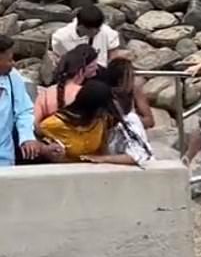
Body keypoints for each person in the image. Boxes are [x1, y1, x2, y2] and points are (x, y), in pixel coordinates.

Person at [39, 80, 151, 166]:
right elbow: (41, 151)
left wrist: (103, 159)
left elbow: (139, 155)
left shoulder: (101, 122)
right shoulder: (52, 125)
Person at [0, 35, 49, 166]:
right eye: (9, 60)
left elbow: (24, 111)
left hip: (5, 158)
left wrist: (27, 137)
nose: (14, 64)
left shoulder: (12, 77)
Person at [34, 44, 99, 127]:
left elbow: (35, 124)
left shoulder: (45, 95)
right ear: (80, 71)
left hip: (49, 137)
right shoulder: (86, 94)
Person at [51, 5, 123, 68]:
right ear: (81, 27)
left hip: (101, 71)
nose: (98, 31)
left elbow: (113, 55)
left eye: (99, 28)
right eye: (93, 30)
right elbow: (61, 58)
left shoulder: (105, 31)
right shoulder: (61, 38)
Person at [105, 58, 155, 129]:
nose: (133, 79)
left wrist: (131, 121)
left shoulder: (135, 90)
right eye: (131, 77)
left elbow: (150, 121)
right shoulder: (104, 93)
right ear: (120, 80)